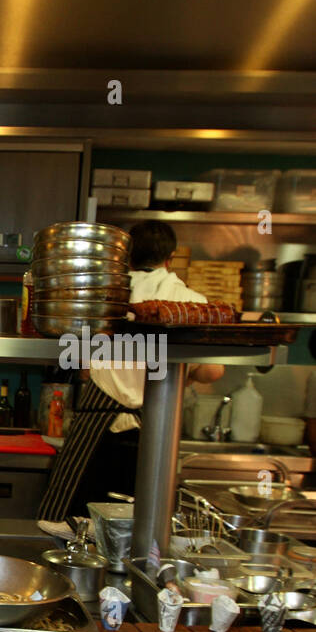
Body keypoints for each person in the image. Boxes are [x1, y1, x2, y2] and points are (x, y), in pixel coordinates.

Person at [38, 221, 225, 520]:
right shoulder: (193, 303)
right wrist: (183, 368)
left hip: (97, 425)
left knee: (73, 520)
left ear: (126, 256)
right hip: (156, 430)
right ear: (171, 257)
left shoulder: (106, 298)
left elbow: (79, 362)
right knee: (144, 521)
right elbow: (212, 372)